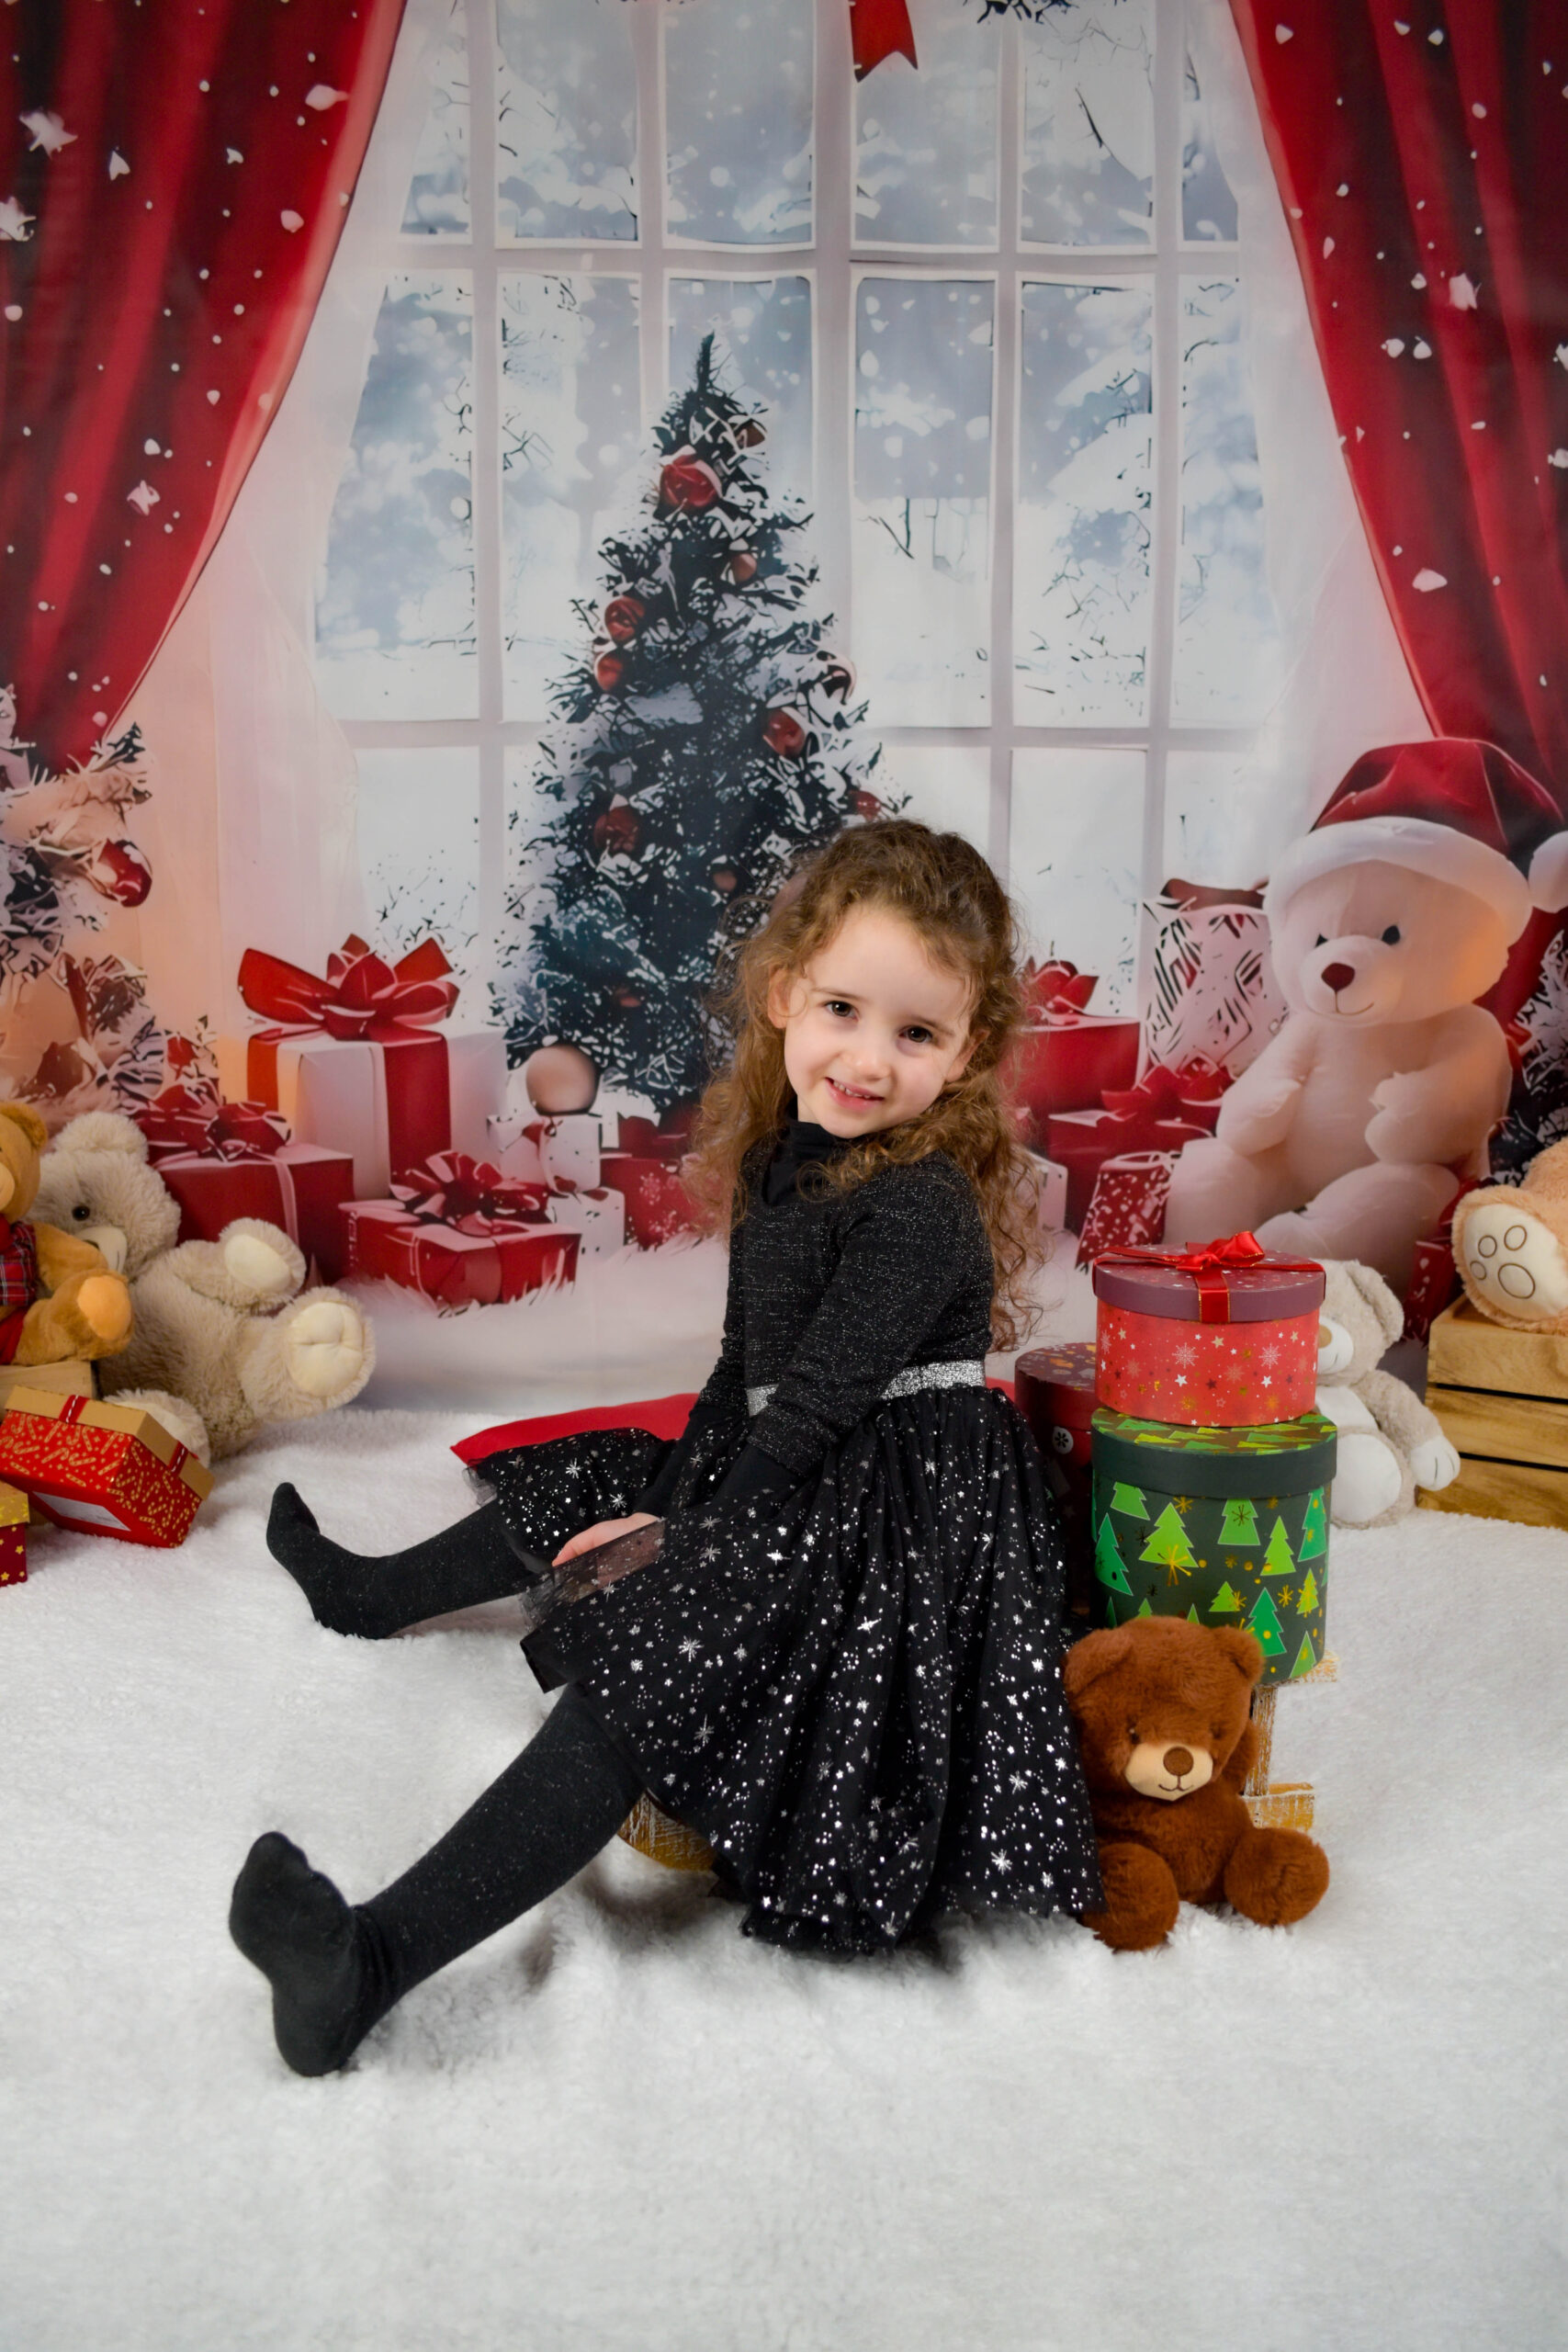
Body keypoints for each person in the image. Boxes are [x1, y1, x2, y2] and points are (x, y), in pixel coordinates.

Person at [231, 820, 1102, 2074]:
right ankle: (374, 1595)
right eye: (843, 1011)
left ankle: (370, 1963)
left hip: (906, 1506)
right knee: (608, 1469)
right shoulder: (783, 1162)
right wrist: (672, 1491)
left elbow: (817, 1409)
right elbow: (747, 1376)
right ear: (784, 994)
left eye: (916, 1034)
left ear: (966, 1054)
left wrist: (678, 1540)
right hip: (805, 1449)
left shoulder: (917, 1204)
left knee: (662, 1645)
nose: (868, 1059)